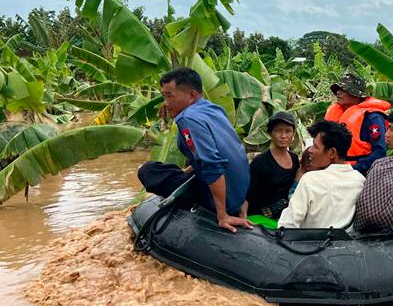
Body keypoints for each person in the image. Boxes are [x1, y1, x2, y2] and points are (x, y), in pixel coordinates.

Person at [137, 68, 252, 233]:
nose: (165, 103)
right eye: (164, 96)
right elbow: (210, 152)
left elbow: (212, 165)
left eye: (169, 96)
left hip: (226, 199)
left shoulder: (187, 119)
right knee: (180, 171)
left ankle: (216, 208)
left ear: (191, 95)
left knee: (149, 170)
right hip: (239, 192)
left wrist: (222, 214)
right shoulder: (213, 109)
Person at [277, 120, 365, 229]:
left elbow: (287, 226)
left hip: (310, 244)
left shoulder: (310, 180)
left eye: (315, 146)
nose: (310, 150)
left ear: (332, 153)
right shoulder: (360, 180)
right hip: (346, 244)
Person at [324, 73, 391, 175]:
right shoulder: (337, 112)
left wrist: (353, 169)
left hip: (359, 173)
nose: (338, 93)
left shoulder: (373, 117)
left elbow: (379, 152)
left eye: (343, 90)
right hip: (333, 170)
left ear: (356, 95)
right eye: (338, 89)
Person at [246, 111, 299, 219]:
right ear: (270, 133)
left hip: (286, 216)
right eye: (278, 131)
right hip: (262, 217)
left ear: (293, 134)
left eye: (288, 131)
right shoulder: (260, 162)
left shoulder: (294, 159)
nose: (283, 136)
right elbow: (248, 194)